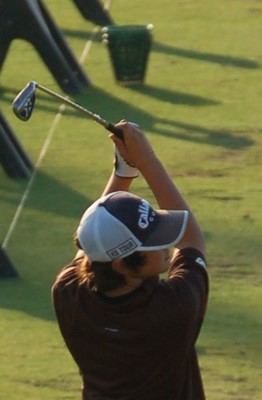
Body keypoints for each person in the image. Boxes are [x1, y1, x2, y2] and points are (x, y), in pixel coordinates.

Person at [52, 121, 209, 400]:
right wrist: (146, 160)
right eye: (153, 242)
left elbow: (93, 241)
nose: (166, 244)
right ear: (122, 265)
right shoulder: (174, 309)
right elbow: (190, 240)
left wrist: (124, 171)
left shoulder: (68, 292)